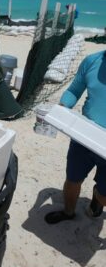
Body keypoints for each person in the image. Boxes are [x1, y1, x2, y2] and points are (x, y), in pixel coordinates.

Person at [45, 50, 106, 224]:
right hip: (84, 136)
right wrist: (61, 109)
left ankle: (97, 197)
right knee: (72, 180)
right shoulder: (92, 61)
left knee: (104, 197)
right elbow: (74, 90)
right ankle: (68, 212)